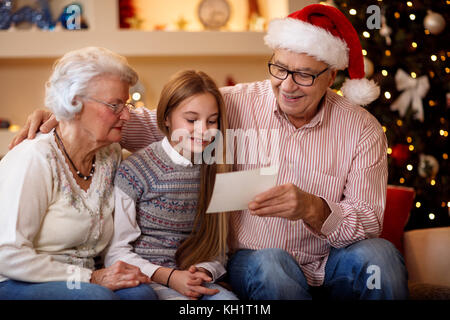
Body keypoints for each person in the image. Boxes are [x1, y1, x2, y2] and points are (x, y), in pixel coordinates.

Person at [11, 5, 409, 300]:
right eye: (279, 69)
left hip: (329, 260)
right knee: (271, 264)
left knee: (380, 255)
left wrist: (314, 209)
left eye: (304, 75)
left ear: (332, 77)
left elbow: (370, 221)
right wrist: (66, 114)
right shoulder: (234, 104)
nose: (287, 85)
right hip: (255, 258)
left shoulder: (362, 129)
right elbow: (158, 124)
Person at [0, 47, 156, 300]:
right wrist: (89, 278)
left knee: (142, 295)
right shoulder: (35, 158)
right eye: (115, 105)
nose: (127, 115)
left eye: (126, 104)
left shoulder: (109, 154)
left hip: (85, 280)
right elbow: (5, 254)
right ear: (74, 102)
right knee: (96, 298)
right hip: (19, 280)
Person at [104, 70, 237, 300]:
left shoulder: (217, 170)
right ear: (166, 118)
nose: (204, 130)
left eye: (212, 121)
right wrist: (170, 277)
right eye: (191, 119)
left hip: (195, 281)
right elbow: (116, 252)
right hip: (148, 279)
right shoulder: (134, 171)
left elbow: (218, 245)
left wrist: (205, 270)